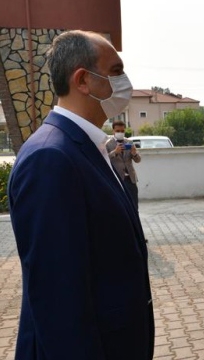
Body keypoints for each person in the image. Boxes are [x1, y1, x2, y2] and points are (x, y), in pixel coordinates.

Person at [8, 30, 154, 360]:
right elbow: (59, 298)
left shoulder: (87, 147)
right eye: (115, 71)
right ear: (83, 80)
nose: (124, 82)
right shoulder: (52, 158)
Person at [105, 119, 141, 209]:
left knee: (134, 205)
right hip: (117, 179)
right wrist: (115, 152)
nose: (120, 133)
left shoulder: (129, 142)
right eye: (117, 131)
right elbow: (104, 160)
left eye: (122, 131)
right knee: (119, 205)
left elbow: (138, 160)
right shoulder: (108, 144)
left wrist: (134, 153)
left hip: (130, 179)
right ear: (113, 131)